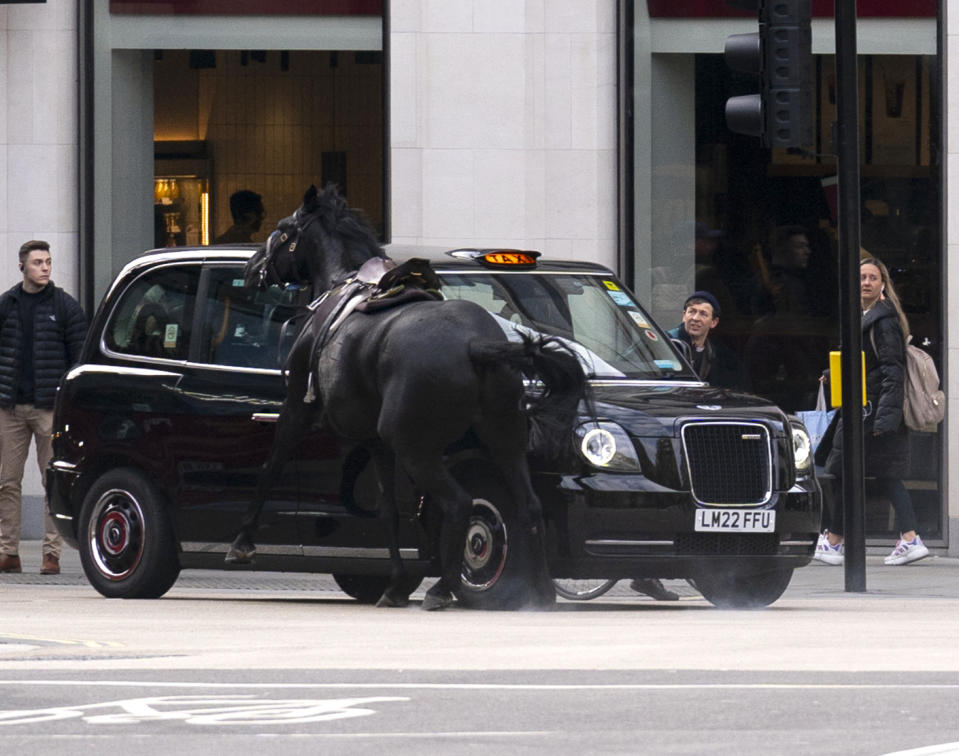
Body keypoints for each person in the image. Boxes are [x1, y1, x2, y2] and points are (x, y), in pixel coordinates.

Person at [813, 255, 929, 567]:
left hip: (871, 412)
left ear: (882, 285)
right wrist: (832, 371)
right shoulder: (867, 316)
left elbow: (893, 371)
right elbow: (867, 363)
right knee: (876, 474)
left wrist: (885, 419)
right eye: (861, 277)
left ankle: (836, 541)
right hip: (868, 409)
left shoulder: (883, 320)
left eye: (872, 278)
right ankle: (907, 538)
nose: (866, 282)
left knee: (844, 472)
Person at [0, 241, 87, 574]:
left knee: (52, 480)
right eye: (38, 262)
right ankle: (8, 552)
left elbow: (78, 356)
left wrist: (68, 400)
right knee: (8, 481)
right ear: (22, 266)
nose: (45, 268)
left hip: (50, 407)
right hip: (10, 407)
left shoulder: (65, 306)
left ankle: (52, 554)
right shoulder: (7, 305)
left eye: (49, 262)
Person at [666, 291, 750, 391]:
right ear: (684, 316)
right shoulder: (666, 343)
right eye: (692, 311)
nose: (695, 318)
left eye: (703, 314)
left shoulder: (719, 357)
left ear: (714, 322)